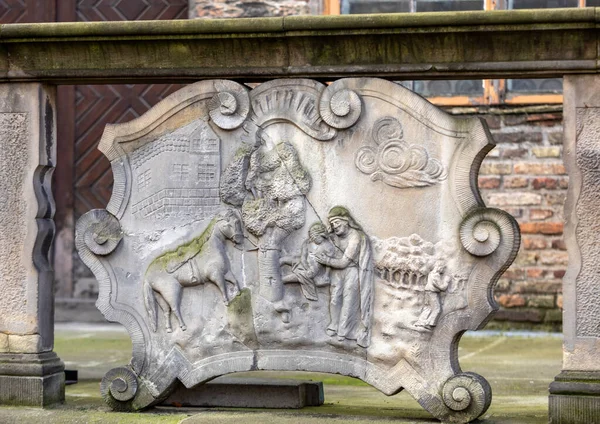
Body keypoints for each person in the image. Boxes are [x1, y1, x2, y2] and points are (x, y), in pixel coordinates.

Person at [314, 206, 374, 348]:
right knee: (335, 299)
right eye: (332, 224)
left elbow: (344, 262)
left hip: (351, 271)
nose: (334, 226)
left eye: (337, 223)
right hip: (337, 272)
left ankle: (345, 331)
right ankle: (334, 324)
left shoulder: (355, 236)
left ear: (346, 221)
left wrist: (326, 260)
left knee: (349, 300)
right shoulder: (334, 236)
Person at [280, 223, 336, 301]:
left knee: (306, 275)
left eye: (316, 237)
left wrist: (326, 275)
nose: (314, 239)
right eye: (312, 238)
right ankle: (278, 265)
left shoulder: (328, 247)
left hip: (315, 266)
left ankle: (283, 279)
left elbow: (329, 263)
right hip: (305, 262)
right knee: (292, 259)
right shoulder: (307, 242)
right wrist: (306, 267)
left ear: (322, 235)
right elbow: (303, 257)